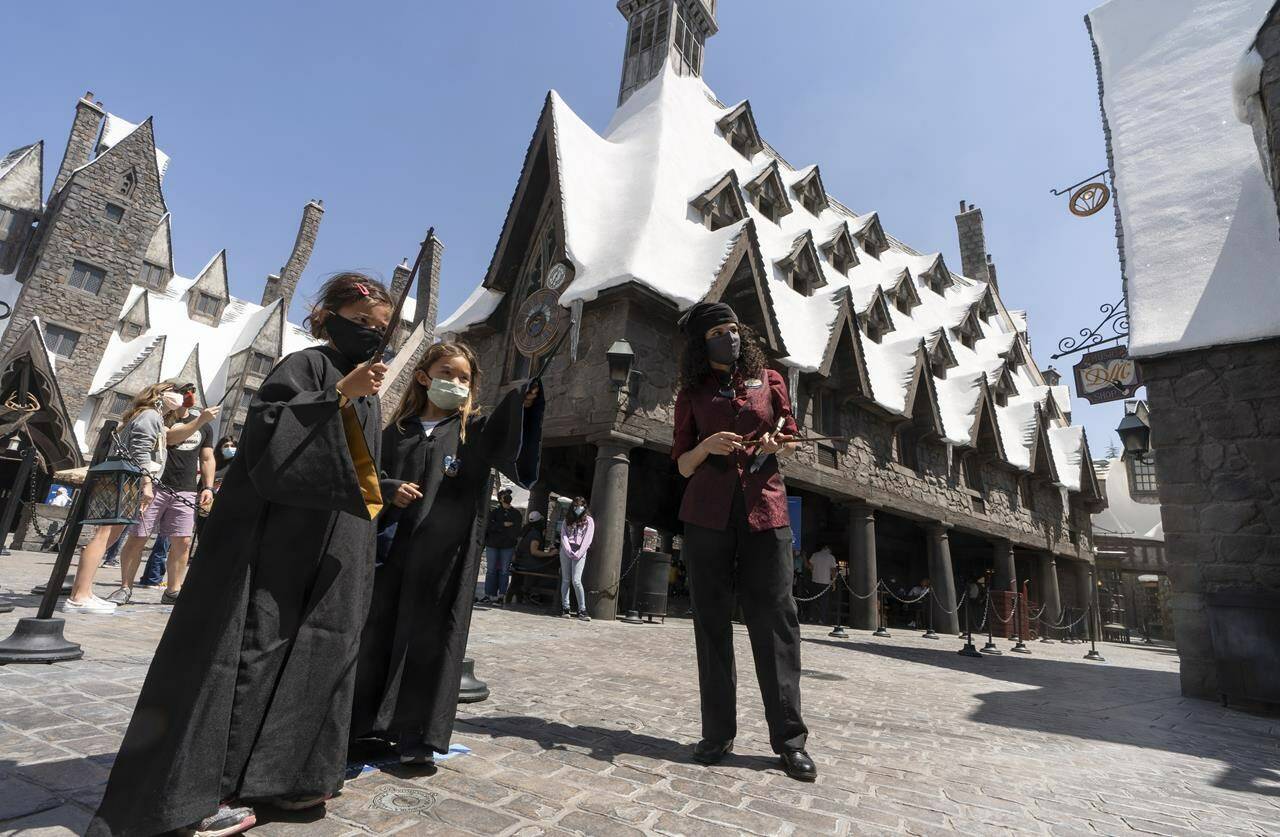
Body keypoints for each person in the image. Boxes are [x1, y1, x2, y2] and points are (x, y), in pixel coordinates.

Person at [89, 273, 393, 837]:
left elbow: (358, 470)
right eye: (361, 323)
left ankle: (290, 775)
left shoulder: (372, 393)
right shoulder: (304, 368)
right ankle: (210, 788)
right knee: (252, 647)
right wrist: (336, 397)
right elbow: (269, 439)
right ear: (327, 317)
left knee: (319, 652)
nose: (373, 336)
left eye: (382, 329)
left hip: (335, 545)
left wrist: (382, 483)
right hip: (276, 539)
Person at [349, 341, 543, 766]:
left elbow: (509, 440)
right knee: (376, 634)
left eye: (464, 378)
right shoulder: (395, 432)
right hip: (392, 553)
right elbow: (366, 476)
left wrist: (524, 402)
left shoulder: (473, 432)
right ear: (423, 376)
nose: (455, 383)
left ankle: (417, 736)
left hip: (444, 560)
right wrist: (388, 489)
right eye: (447, 372)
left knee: (431, 639)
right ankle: (363, 727)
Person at [671, 300, 816, 782]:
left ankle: (790, 741)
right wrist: (705, 447)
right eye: (718, 332)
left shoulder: (770, 379)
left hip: (766, 511)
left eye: (734, 329)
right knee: (711, 622)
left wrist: (780, 444)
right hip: (707, 515)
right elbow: (681, 464)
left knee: (776, 622)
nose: (729, 337)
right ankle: (717, 733)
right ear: (702, 342)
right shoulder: (691, 393)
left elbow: (792, 437)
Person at [61, 382, 196, 615]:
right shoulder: (150, 415)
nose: (180, 397)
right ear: (160, 394)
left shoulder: (153, 417)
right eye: (176, 392)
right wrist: (146, 484)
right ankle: (79, 595)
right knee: (104, 535)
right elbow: (140, 450)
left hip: (128, 478)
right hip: (128, 479)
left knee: (109, 537)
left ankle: (85, 590)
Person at [108, 386, 219, 605]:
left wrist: (207, 487)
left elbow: (207, 458)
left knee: (183, 541)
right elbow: (169, 439)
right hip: (156, 484)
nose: (188, 396)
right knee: (138, 537)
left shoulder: (204, 426)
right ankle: (125, 587)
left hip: (185, 488)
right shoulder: (160, 418)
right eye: (183, 391)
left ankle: (173, 591)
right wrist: (200, 421)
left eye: (191, 391)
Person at [479, 488, 522, 604]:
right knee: (491, 570)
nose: (507, 497)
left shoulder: (516, 514)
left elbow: (516, 529)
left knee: (504, 571)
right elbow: (489, 527)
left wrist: (500, 528)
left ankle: (501, 595)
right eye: (505, 496)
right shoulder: (494, 513)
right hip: (493, 545)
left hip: (507, 546)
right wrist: (503, 525)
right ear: (500, 499)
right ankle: (489, 594)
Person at [507, 511, 558, 605]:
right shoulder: (535, 534)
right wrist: (550, 554)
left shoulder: (526, 531)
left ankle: (527, 591)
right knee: (550, 569)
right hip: (528, 564)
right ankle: (534, 593)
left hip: (520, 562)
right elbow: (534, 551)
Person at [559, 496, 593, 620]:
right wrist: (568, 550)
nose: (577, 508)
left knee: (576, 580)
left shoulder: (589, 521)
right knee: (566, 579)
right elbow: (563, 536)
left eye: (580, 506)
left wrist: (579, 552)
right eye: (575, 506)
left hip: (580, 551)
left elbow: (588, 538)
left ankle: (582, 609)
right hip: (566, 550)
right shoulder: (567, 519)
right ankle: (565, 607)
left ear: (584, 507)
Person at [807, 545, 837, 624]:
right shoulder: (831, 557)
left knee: (813, 600)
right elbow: (833, 571)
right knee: (824, 602)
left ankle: (811, 617)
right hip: (825, 582)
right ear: (829, 549)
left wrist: (814, 571)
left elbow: (810, 566)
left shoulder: (815, 555)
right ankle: (822, 619)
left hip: (815, 580)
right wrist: (833, 583)